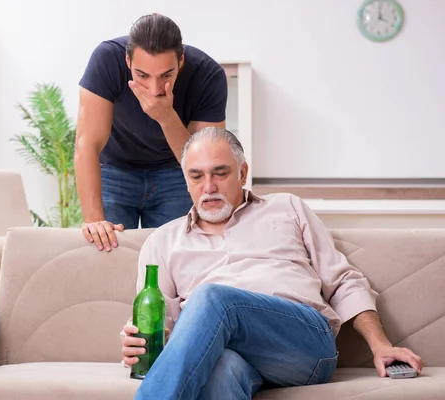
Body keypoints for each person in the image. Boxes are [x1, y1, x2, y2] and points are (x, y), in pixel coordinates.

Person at [120, 127, 424, 399]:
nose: (208, 187)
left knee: (214, 297)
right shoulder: (162, 242)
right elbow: (166, 327)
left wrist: (381, 345)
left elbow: (344, 282)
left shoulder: (287, 208)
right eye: (196, 176)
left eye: (220, 173)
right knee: (221, 371)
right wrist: (139, 342)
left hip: (302, 345)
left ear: (242, 173)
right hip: (221, 348)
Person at [75, 13, 227, 252]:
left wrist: (166, 118)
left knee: (172, 260)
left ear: (181, 62)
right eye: (142, 75)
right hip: (114, 169)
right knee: (106, 255)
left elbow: (205, 162)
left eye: (167, 75)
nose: (154, 89)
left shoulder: (208, 76)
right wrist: (94, 221)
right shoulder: (106, 60)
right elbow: (87, 143)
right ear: (127, 61)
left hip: (176, 173)